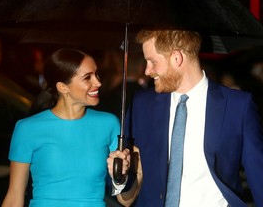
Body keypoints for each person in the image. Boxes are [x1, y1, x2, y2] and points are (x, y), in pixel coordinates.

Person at [107, 28, 263, 206]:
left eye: (152, 61)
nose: (147, 71)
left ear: (176, 58)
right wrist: (120, 177)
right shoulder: (142, 105)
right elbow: (127, 196)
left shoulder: (237, 105)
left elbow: (259, 176)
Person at [1, 48, 138, 207]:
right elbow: (14, 197)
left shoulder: (109, 124)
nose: (98, 82)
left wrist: (129, 173)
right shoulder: (27, 128)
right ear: (62, 87)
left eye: (97, 75)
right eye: (88, 78)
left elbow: (126, 200)